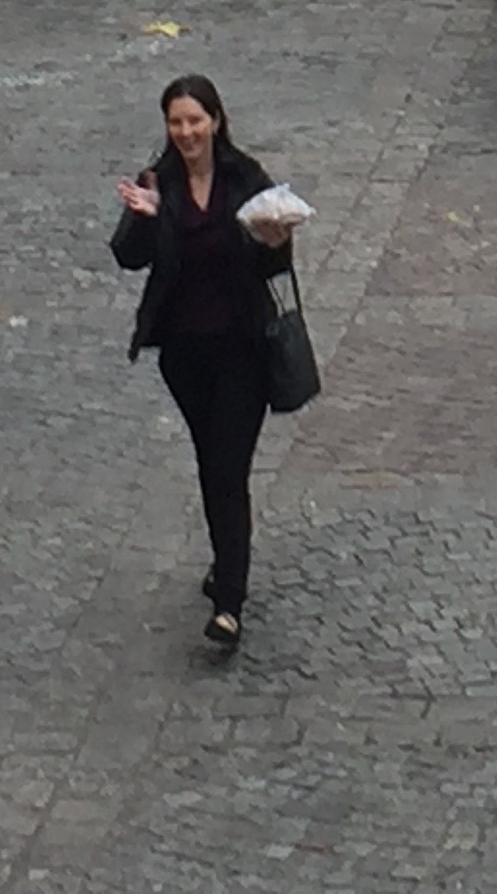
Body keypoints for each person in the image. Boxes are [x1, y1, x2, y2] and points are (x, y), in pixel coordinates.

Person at [110, 75, 296, 649]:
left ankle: (229, 603)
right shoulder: (158, 182)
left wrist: (274, 241)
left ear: (215, 120)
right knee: (212, 462)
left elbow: (274, 265)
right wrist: (146, 219)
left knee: (226, 468)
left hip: (243, 349)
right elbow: (127, 257)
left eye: (195, 120)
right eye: (176, 122)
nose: (187, 132)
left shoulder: (245, 178)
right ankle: (226, 561)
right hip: (185, 355)